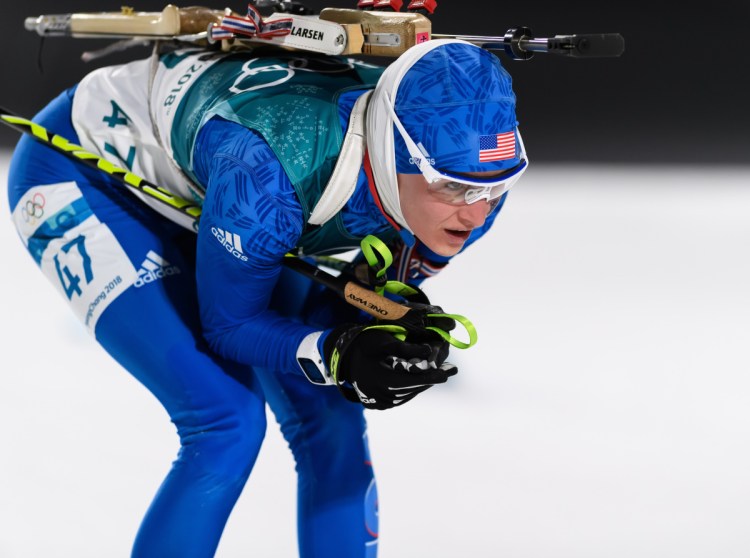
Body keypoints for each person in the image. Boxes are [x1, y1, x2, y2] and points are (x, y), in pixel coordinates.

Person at [6, 34, 528, 557]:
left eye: (495, 186)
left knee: (331, 422)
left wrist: (390, 324)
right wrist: (340, 352)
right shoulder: (275, 173)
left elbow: (354, 293)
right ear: (395, 154)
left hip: (230, 199)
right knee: (225, 423)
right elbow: (230, 326)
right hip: (88, 175)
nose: (477, 211)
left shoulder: (470, 179)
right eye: (453, 186)